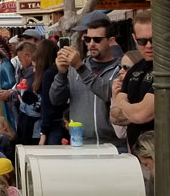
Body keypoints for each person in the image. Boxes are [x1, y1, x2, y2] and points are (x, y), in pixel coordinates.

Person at [50, 15, 122, 147]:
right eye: (88, 39)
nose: (91, 44)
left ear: (111, 41)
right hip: (80, 142)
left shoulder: (121, 69)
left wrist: (80, 68)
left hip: (114, 144)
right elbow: (56, 100)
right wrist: (61, 73)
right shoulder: (76, 68)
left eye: (97, 39)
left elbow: (107, 93)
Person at [111, 12, 155, 151]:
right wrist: (133, 111)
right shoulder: (134, 69)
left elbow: (141, 114)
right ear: (134, 39)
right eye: (142, 41)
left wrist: (122, 103)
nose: (148, 45)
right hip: (137, 152)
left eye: (153, 39)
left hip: (162, 152)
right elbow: (115, 116)